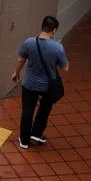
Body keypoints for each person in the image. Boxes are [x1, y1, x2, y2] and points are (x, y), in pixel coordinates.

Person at [12, 15, 68, 150]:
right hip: (48, 87)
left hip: (29, 84)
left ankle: (24, 140)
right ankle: (37, 134)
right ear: (54, 30)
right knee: (44, 109)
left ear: (42, 27)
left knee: (27, 111)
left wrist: (16, 73)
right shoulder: (58, 47)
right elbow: (65, 68)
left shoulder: (29, 42)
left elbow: (20, 59)